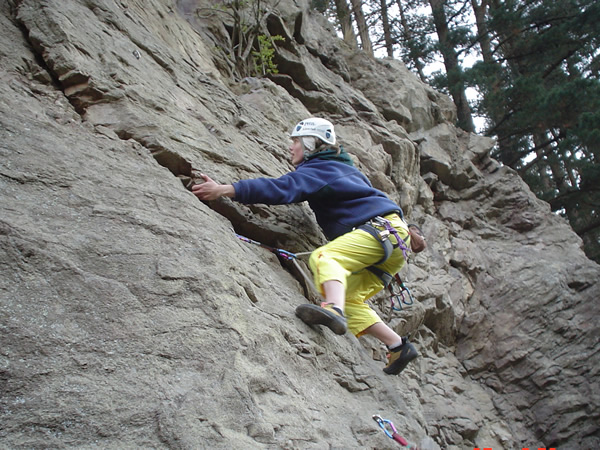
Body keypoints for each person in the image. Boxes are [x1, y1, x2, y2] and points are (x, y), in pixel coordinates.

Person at [192, 118, 419, 375]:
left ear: (311, 143)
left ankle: (333, 310)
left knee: (325, 258)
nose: (291, 147)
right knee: (348, 297)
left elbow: (282, 188)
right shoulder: (342, 169)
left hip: (380, 232)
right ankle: (398, 345)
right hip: (392, 243)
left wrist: (225, 189)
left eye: (296, 141)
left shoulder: (323, 168)